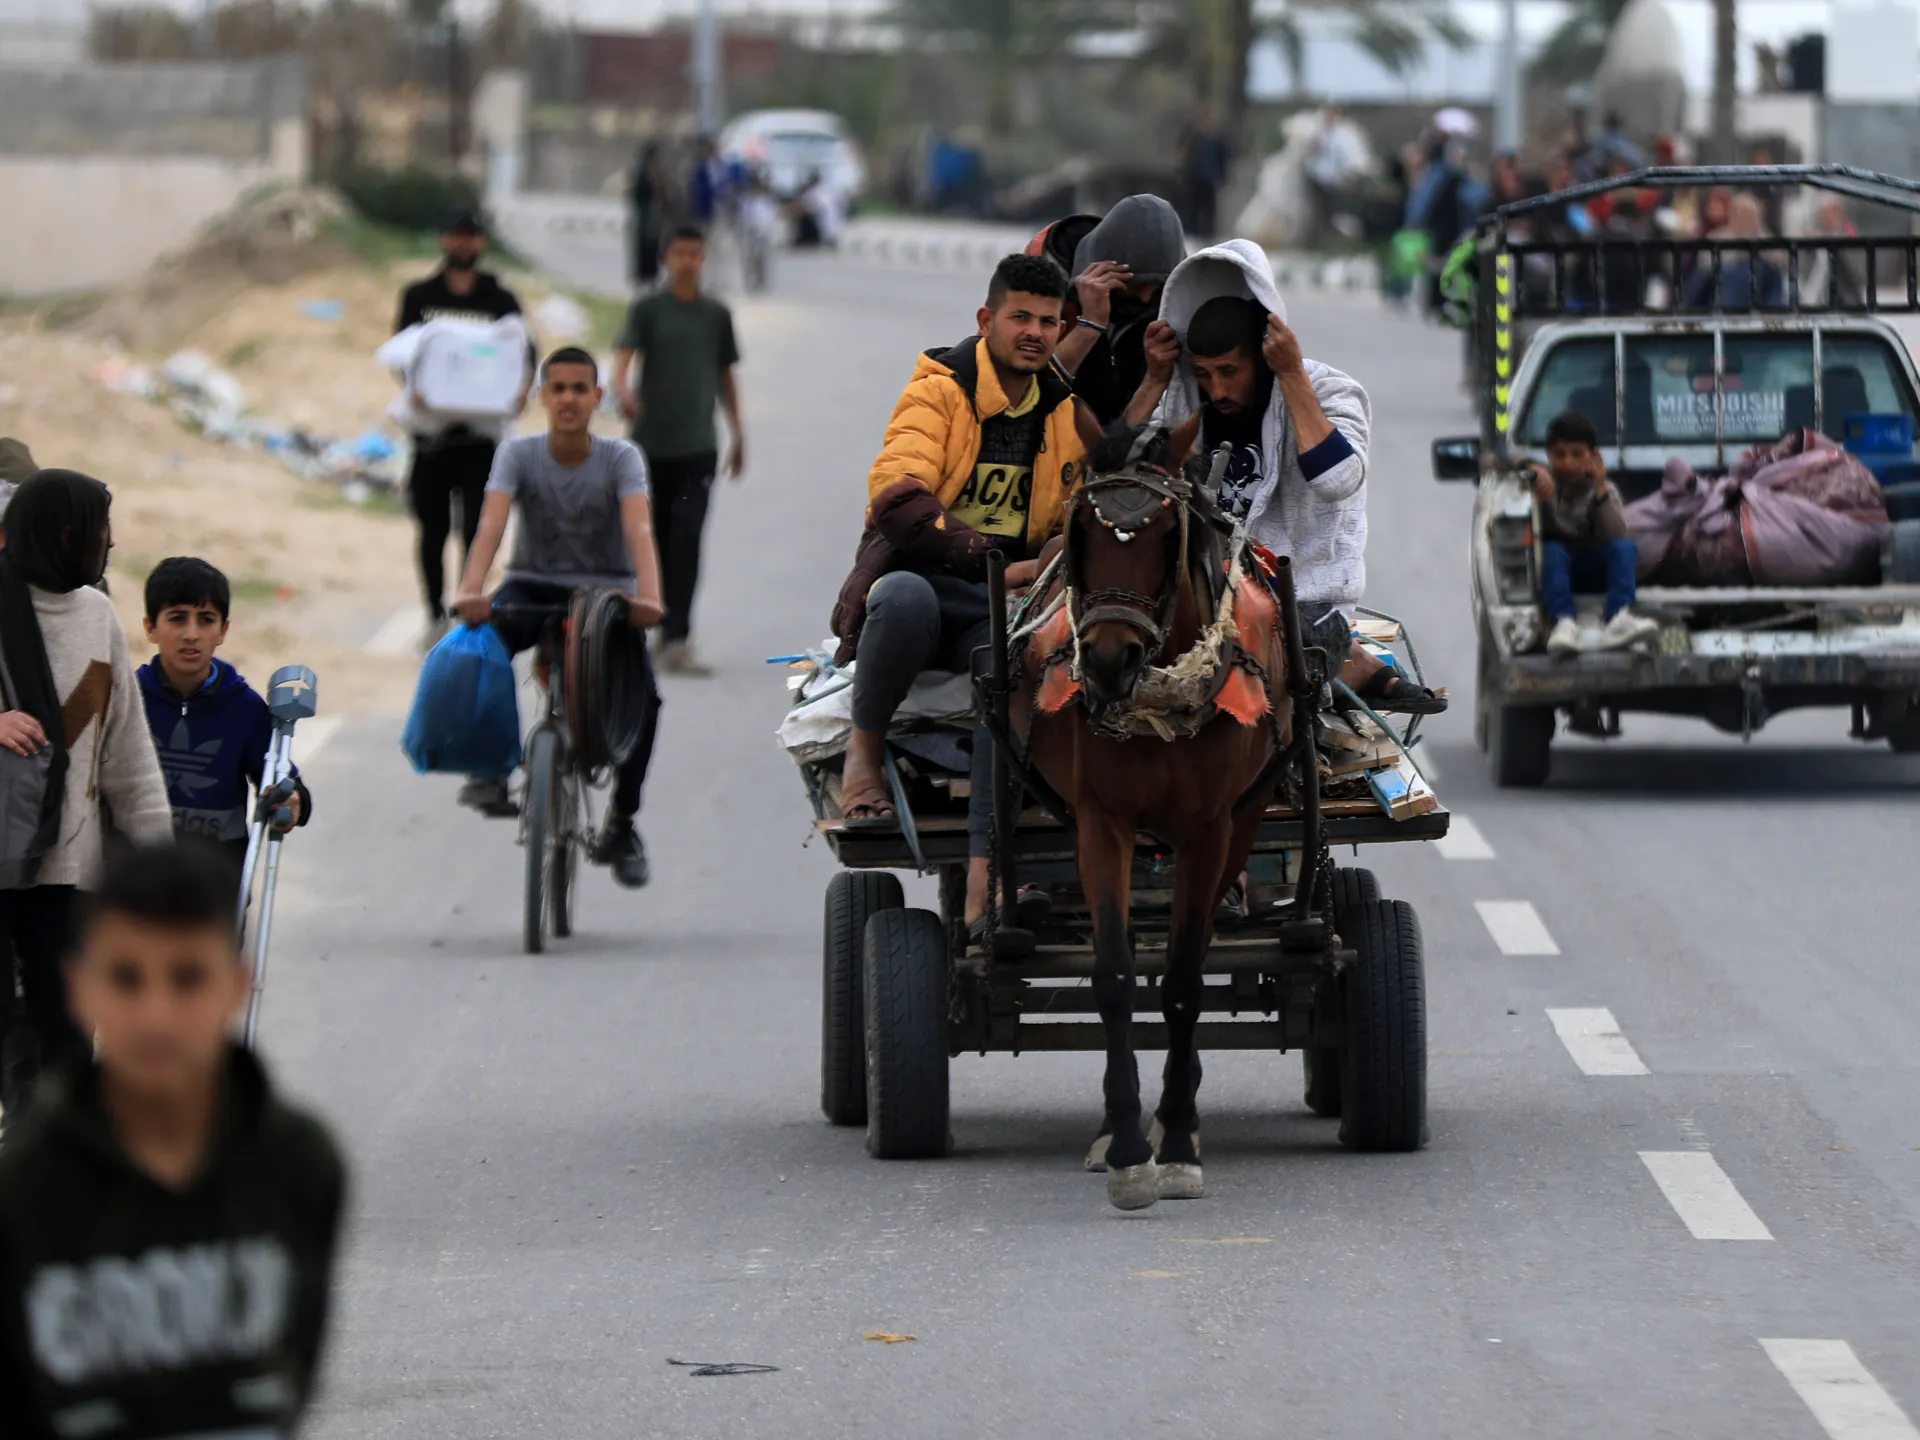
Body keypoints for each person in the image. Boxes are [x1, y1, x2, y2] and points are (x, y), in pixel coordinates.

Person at [0, 840, 348, 1436]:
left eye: (188, 978)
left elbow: (291, 1374)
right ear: (79, 988)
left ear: (237, 985)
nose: (156, 1014)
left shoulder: (298, 1164)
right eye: (126, 978)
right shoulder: (26, 1191)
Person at [829, 254, 1094, 943]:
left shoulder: (1066, 412)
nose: (1034, 333)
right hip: (928, 582)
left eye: (1048, 322)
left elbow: (1086, 512)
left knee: (1012, 668)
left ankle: (987, 880)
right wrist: (1001, 565)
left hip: (1006, 610)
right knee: (901, 600)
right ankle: (863, 757)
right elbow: (897, 502)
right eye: (1020, 317)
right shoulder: (938, 391)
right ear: (986, 320)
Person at [1129, 242, 1442, 712]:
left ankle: (1355, 666)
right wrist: (1154, 380)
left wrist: (1292, 375)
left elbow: (1337, 479)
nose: (1217, 389)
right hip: (1197, 595)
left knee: (1268, 663)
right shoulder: (1180, 397)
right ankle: (1353, 665)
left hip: (1301, 603)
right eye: (1205, 374)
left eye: (1229, 371)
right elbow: (1119, 476)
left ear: (1263, 354)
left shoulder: (1330, 390)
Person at [454, 347, 665, 889]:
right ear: (541, 396)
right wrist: (471, 589)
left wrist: (649, 597)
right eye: (559, 388)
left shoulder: (621, 457)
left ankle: (621, 824)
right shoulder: (517, 454)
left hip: (606, 592)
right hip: (532, 583)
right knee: (481, 649)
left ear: (598, 397)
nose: (569, 398)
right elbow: (491, 524)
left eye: (580, 389)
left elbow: (639, 528)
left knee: (645, 701)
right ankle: (490, 769)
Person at [0, 471, 173, 1116]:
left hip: (68, 871)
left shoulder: (97, 615)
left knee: (67, 1032)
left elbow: (127, 754)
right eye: (102, 529)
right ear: (65, 535)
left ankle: (48, 1154)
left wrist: (161, 867)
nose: (113, 542)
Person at [393, 206, 533, 638]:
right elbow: (401, 354)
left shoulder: (500, 300)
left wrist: (520, 390)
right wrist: (413, 386)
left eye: (471, 236)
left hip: (481, 440)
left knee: (478, 530)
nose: (463, 243)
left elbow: (524, 355)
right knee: (431, 530)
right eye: (456, 235)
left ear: (482, 242)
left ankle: (466, 609)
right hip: (431, 437)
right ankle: (434, 614)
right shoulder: (419, 296)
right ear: (443, 240)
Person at [612, 225, 744, 676]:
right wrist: (623, 391)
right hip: (649, 446)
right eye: (680, 253)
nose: (688, 261)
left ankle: (677, 638)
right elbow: (625, 356)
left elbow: (726, 375)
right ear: (666, 258)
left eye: (695, 254)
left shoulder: (716, 315)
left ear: (703, 259)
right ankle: (641, 626)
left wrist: (738, 433)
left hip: (697, 448)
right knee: (648, 539)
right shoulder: (648, 308)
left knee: (686, 540)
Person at [137, 557, 311, 877]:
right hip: (134, 875)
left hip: (217, 880)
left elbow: (281, 778)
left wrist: (292, 800)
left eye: (206, 620)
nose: (191, 634)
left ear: (223, 630)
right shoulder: (129, 699)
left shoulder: (245, 708)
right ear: (150, 627)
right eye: (177, 618)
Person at [1528, 410, 1660, 656]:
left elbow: (1616, 534)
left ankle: (1618, 618)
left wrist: (1599, 490)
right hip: (1558, 573)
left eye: (1577, 454)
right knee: (1552, 550)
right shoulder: (1542, 485)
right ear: (1549, 456)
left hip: (1595, 570)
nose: (1568, 463)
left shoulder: (1606, 490)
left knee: (1625, 548)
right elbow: (1504, 461)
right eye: (1560, 455)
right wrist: (1531, 468)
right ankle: (1564, 623)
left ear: (1593, 456)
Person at [1056, 194, 1188, 427]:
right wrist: (1088, 325)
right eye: (1135, 285)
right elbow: (1026, 396)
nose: (1145, 299)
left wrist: (1155, 379)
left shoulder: (1168, 316)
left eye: (1157, 288)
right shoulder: (1049, 300)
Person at [1681, 192, 1785, 309]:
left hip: (1760, 292)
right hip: (1723, 291)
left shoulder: (1766, 240)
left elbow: (1779, 264)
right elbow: (1705, 268)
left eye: (1749, 214)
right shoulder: (1717, 237)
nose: (1744, 219)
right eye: (1740, 213)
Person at [1179, 103, 1230, 238]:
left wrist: (1221, 176)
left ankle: (1208, 235)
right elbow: (1185, 155)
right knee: (1192, 209)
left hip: (1210, 179)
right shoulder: (1192, 135)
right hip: (1194, 178)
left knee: (1209, 210)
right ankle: (1192, 234)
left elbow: (1222, 158)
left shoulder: (1216, 137)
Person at [628, 141, 668, 289]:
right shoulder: (646, 171)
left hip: (648, 214)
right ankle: (646, 276)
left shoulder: (645, 169)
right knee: (646, 245)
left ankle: (648, 276)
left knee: (650, 245)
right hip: (647, 214)